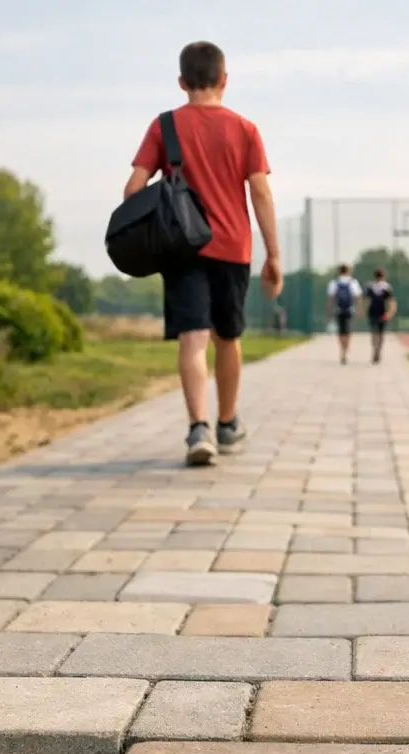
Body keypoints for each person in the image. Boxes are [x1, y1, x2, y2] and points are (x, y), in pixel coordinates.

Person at [125, 41, 282, 467]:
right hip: (232, 247)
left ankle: (199, 428)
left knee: (193, 338)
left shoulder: (164, 127)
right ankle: (228, 422)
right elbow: (261, 193)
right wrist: (273, 255)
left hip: (180, 250)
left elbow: (133, 190)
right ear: (224, 81)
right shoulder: (246, 129)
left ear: (181, 82)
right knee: (227, 338)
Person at [327, 264, 361, 365]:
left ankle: (342, 349)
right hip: (350, 309)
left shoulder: (334, 283)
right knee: (348, 329)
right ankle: (346, 348)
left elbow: (331, 298)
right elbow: (357, 297)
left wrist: (328, 309)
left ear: (339, 271)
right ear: (348, 271)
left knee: (341, 330)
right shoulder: (353, 282)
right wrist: (360, 309)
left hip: (338, 309)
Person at [365, 268, 397, 364]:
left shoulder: (370, 287)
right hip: (383, 312)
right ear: (384, 276)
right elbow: (391, 302)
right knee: (381, 334)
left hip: (372, 312)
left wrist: (364, 312)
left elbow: (367, 301)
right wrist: (390, 313)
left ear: (374, 276)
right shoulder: (387, 287)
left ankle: (375, 349)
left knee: (374, 333)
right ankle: (378, 350)